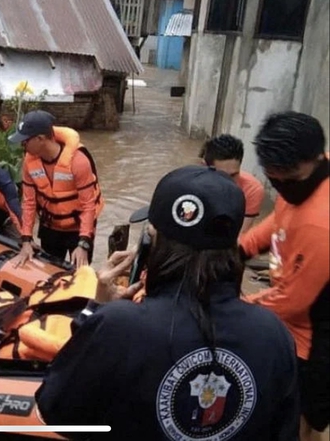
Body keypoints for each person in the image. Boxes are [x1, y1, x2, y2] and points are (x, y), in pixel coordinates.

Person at [36, 165, 299, 439]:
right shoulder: (274, 333)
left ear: (152, 242)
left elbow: (56, 411)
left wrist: (96, 308)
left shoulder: (118, 326)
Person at [239, 112, 329, 441]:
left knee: (304, 418)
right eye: (273, 180)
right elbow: (279, 221)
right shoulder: (303, 185)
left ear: (315, 160)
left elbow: (291, 302)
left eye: (290, 179)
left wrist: (235, 306)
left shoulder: (321, 224)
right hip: (294, 300)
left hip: (317, 334)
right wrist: (238, 250)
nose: (282, 188)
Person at [9, 110, 104, 268]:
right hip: (50, 227)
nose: (22, 145)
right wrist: (26, 239)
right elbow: (29, 202)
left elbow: (89, 205)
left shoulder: (79, 162)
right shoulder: (29, 163)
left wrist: (84, 244)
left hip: (78, 229)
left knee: (80, 273)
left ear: (40, 139)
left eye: (25, 141)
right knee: (49, 270)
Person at [199, 134, 264, 233]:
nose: (228, 182)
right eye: (221, 175)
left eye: (233, 175)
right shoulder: (192, 185)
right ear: (205, 167)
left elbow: (241, 234)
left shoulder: (252, 189)